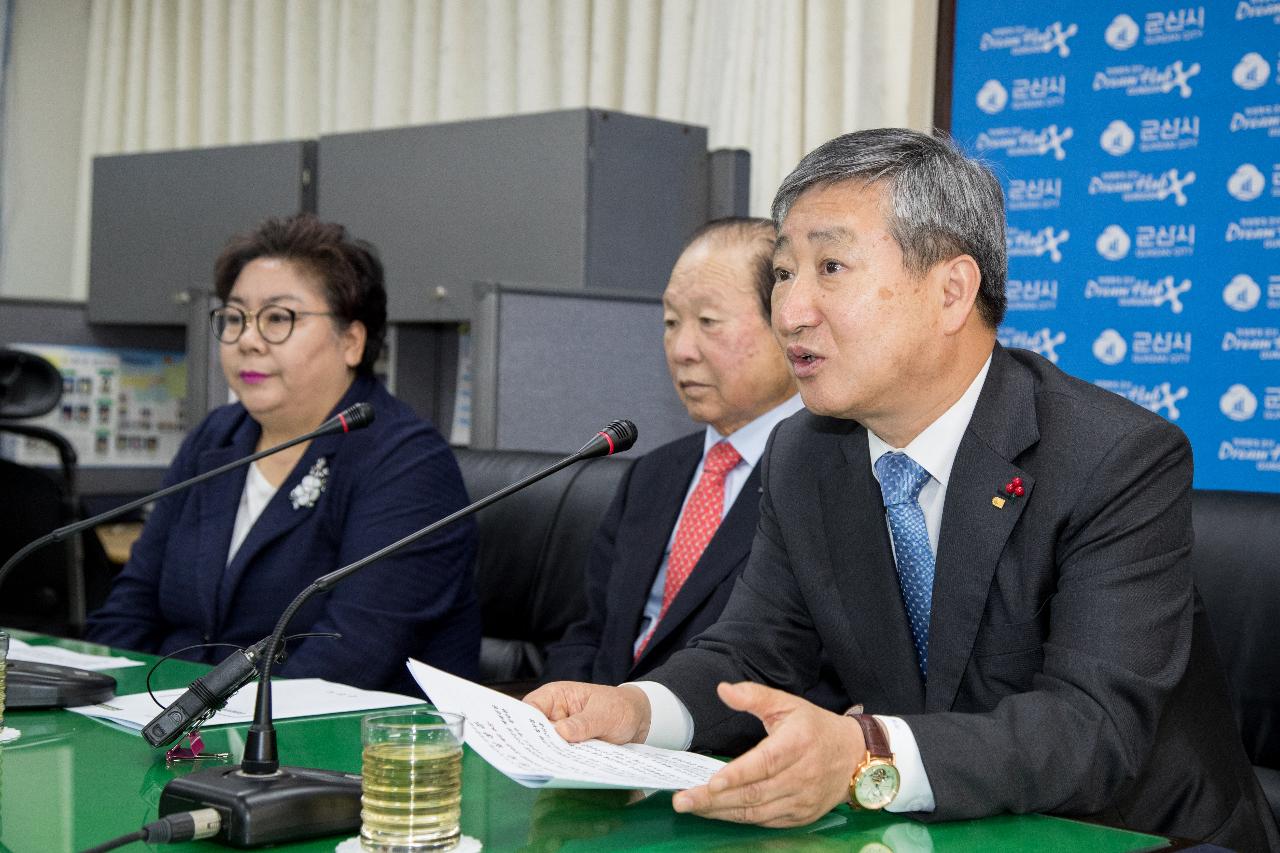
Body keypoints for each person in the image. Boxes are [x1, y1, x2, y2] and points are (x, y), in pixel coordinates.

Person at [527, 129, 1278, 849]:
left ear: (951, 290)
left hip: (1136, 835)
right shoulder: (807, 453)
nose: (790, 311)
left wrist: (864, 750)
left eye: (831, 268)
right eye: (783, 272)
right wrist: (633, 710)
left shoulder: (1114, 457)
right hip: (934, 829)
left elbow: (1092, 727)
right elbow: (754, 654)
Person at [87, 214, 480, 695]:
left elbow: (351, 655)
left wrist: (198, 716)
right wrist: (108, 696)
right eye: (235, 318)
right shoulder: (215, 439)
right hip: (178, 729)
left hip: (332, 748)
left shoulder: (406, 463)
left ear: (351, 341)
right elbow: (132, 605)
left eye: (278, 318)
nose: (248, 341)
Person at [542, 218, 804, 690]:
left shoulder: (828, 474)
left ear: (786, 324)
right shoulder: (653, 474)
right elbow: (588, 632)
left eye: (708, 322)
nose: (682, 349)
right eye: (670, 322)